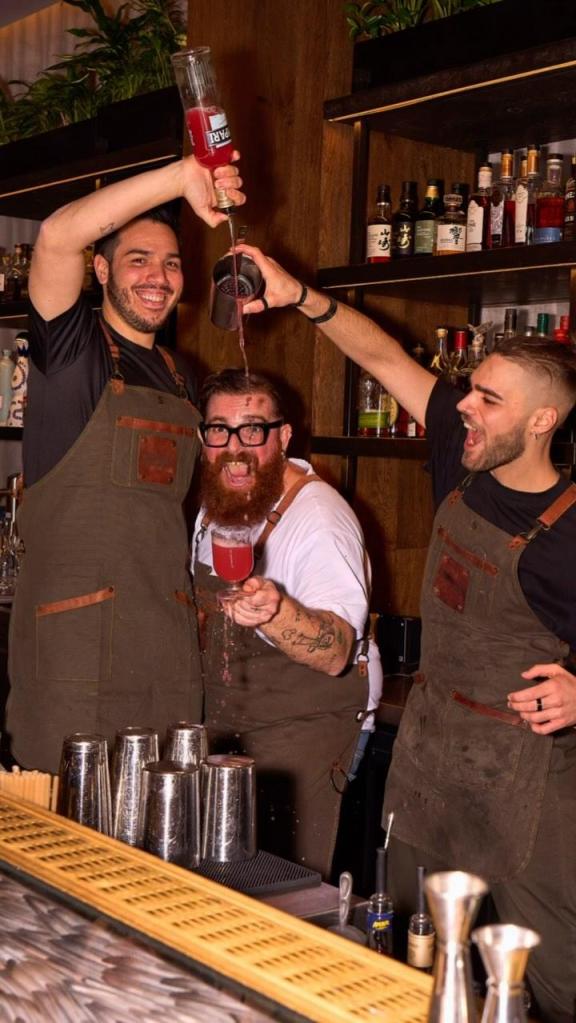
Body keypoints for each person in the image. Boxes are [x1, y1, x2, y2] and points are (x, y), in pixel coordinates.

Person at [232, 243, 576, 1022]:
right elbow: (385, 357)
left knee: (553, 981)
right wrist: (300, 295)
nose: (464, 407)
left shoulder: (568, 533)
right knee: (411, 963)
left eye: (489, 398)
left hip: (527, 785)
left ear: (543, 421)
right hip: (428, 765)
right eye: (471, 390)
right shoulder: (464, 457)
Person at [6, 154, 245, 774]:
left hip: (164, 651)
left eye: (172, 263)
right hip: (76, 657)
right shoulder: (72, 352)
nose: (158, 277)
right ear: (101, 269)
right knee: (68, 827)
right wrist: (182, 177)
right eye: (138, 259)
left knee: (159, 819)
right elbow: (56, 237)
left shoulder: (178, 374)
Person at [191, 368, 382, 878]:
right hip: (235, 723)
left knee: (281, 888)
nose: (235, 449)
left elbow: (336, 650)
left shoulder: (318, 518)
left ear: (284, 436)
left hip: (305, 728)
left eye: (253, 430)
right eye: (219, 430)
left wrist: (276, 612)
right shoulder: (216, 504)